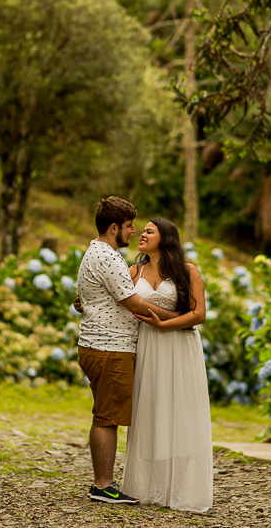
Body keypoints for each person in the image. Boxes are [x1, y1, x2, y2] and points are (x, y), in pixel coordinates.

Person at [75, 197, 183, 505]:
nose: (133, 231)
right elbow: (133, 303)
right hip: (109, 347)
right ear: (113, 228)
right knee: (107, 417)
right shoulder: (108, 257)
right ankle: (102, 486)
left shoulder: (97, 252)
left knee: (106, 414)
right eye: (129, 226)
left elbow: (86, 297)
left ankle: (103, 483)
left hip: (102, 344)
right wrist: (177, 319)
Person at [122, 217, 214, 513]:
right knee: (149, 407)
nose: (142, 235)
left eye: (149, 231)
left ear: (166, 237)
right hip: (147, 345)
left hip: (178, 344)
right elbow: (119, 301)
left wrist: (166, 325)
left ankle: (183, 488)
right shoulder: (134, 270)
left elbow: (199, 314)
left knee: (181, 408)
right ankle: (147, 486)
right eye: (142, 231)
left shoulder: (187, 271)